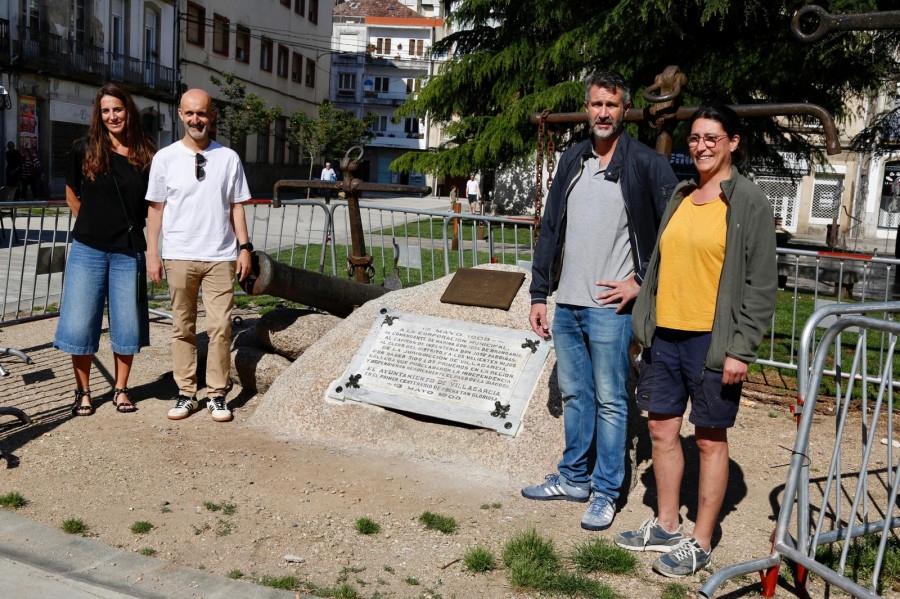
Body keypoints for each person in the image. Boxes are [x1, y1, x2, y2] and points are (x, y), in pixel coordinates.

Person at [615, 105, 777, 577]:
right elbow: (664, 265)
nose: (701, 146)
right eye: (694, 138)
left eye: (712, 137)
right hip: (666, 336)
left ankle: (701, 540)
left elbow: (761, 284)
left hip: (713, 342)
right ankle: (666, 524)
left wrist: (741, 349)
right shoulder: (683, 195)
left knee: (709, 439)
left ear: (733, 142)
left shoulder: (747, 201)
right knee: (663, 431)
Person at [522, 71, 677, 531]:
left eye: (611, 105)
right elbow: (550, 230)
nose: (603, 113)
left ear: (625, 109)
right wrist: (538, 294)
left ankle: (606, 491)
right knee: (575, 395)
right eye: (595, 105)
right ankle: (573, 477)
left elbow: (675, 230)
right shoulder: (573, 159)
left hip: (611, 309)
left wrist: (641, 281)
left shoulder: (646, 164)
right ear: (587, 109)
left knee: (612, 399)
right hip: (567, 303)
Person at [146, 88, 253, 423]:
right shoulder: (165, 158)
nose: (196, 120)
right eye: (190, 113)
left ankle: (216, 394)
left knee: (220, 326)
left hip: (220, 256)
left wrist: (245, 247)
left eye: (202, 113)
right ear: (180, 115)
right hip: (178, 255)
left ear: (212, 116)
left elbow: (236, 207)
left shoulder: (228, 157)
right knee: (182, 327)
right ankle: (186, 393)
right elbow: (156, 210)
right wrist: (152, 251)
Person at [53, 83, 156, 416]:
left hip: (128, 250)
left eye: (118, 109)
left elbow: (154, 204)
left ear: (129, 110)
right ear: (99, 115)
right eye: (106, 110)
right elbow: (71, 194)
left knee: (126, 324)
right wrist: (91, 225)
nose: (113, 116)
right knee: (80, 322)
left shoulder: (147, 153)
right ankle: (82, 391)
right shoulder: (84, 148)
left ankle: (121, 388)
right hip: (88, 250)